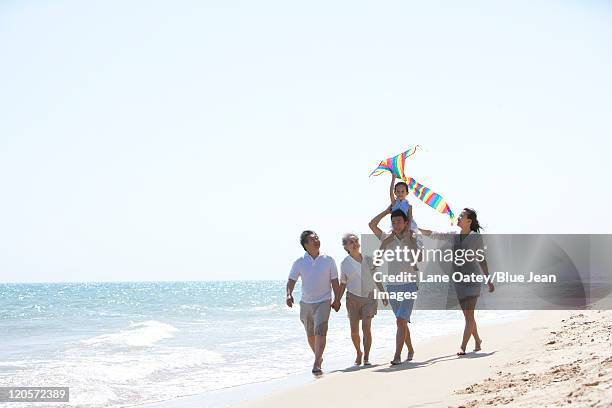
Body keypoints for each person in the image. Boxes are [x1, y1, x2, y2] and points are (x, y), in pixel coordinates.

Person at [419, 208, 495, 356]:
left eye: (462, 216)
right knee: (468, 316)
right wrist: (415, 228)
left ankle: (463, 347)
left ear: (469, 221)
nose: (458, 217)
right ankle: (478, 340)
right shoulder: (454, 235)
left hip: (472, 280)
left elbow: (482, 259)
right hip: (458, 281)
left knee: (469, 315)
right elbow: (434, 235)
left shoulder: (475, 238)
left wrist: (489, 280)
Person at [286, 230, 341, 375]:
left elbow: (335, 281)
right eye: (312, 239)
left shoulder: (328, 260)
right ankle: (319, 357)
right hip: (306, 303)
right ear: (305, 244)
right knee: (310, 334)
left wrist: (337, 299)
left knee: (320, 331)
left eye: (317, 238)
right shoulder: (299, 262)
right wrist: (289, 294)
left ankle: (317, 362)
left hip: (324, 301)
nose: (316, 240)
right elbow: (291, 280)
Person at [369, 207, 418, 365]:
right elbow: (371, 224)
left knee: (400, 320)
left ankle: (397, 355)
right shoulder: (386, 238)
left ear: (406, 223)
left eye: (399, 221)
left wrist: (409, 239)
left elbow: (419, 258)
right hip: (392, 286)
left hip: (410, 284)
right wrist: (386, 211)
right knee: (401, 321)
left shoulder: (412, 236)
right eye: (393, 222)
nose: (396, 224)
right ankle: (410, 349)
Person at [337, 233, 388, 366]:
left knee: (366, 328)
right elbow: (343, 283)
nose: (355, 244)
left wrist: (383, 293)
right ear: (346, 247)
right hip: (352, 298)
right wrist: (337, 299)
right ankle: (358, 353)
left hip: (369, 297)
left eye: (356, 241)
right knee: (354, 331)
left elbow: (376, 276)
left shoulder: (368, 259)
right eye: (351, 242)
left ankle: (366, 357)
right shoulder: (345, 263)